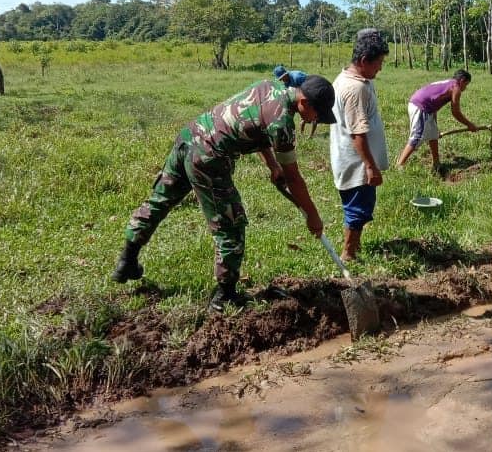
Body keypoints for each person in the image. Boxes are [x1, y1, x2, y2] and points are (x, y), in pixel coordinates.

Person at [111, 75, 336, 312]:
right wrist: (312, 215)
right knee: (230, 224)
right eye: (318, 115)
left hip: (189, 138)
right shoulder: (282, 124)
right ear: (305, 104)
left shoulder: (271, 86)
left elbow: (257, 128)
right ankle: (224, 296)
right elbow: (294, 178)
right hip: (209, 159)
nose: (317, 121)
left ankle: (127, 260)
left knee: (160, 201)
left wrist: (272, 165)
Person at [329, 28, 390, 261]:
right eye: (378, 63)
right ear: (364, 61)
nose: (380, 67)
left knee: (358, 205)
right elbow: (358, 133)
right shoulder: (355, 89)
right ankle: (349, 254)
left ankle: (354, 247)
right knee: (357, 208)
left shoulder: (350, 77)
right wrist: (371, 166)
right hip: (357, 163)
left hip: (351, 159)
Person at [395, 70, 480, 171]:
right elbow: (455, 112)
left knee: (433, 134)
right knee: (417, 136)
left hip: (424, 106)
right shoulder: (456, 88)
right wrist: (469, 124)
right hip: (420, 106)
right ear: (462, 81)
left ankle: (436, 163)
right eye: (466, 85)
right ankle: (399, 165)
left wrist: (435, 124)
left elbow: (434, 102)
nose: (465, 88)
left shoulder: (448, 83)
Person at [275, 65, 319, 137]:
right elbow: (288, 92)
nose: (281, 80)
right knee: (302, 117)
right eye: (280, 79)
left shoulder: (297, 77)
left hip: (311, 91)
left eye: (281, 78)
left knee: (313, 115)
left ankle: (311, 135)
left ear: (285, 74)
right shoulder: (286, 81)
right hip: (301, 95)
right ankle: (301, 135)